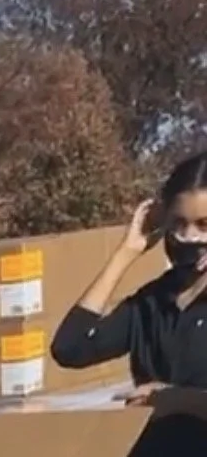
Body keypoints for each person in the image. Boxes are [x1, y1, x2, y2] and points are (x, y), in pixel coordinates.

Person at [51, 155, 207, 394]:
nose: (189, 236)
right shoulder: (152, 303)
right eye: (179, 223)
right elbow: (70, 347)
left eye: (204, 225)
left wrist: (171, 396)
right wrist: (126, 252)